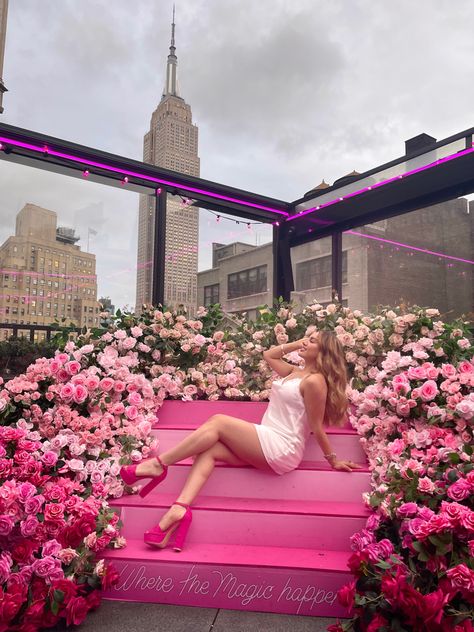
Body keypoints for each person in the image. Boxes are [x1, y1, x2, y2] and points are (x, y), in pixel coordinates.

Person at [120, 330, 362, 551]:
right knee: (210, 449)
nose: (306, 341)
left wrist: (333, 460)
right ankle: (178, 510)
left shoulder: (315, 381)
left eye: (312, 341)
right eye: (307, 338)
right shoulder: (294, 373)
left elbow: (317, 427)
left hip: (283, 446)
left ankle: (158, 464)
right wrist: (297, 343)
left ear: (323, 352)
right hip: (265, 438)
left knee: (218, 421)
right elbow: (270, 355)